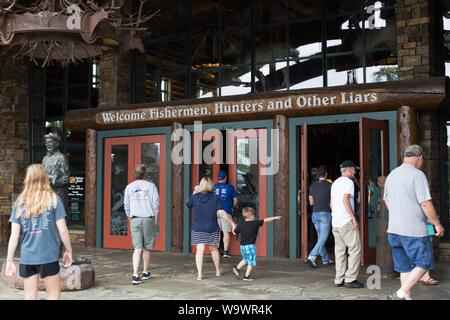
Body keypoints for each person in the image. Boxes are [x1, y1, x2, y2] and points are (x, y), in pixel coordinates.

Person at [384, 145, 444, 300]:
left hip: (394, 230)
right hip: (414, 231)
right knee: (424, 262)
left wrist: (399, 214)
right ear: (420, 158)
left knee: (405, 267)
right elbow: (425, 203)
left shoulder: (392, 175)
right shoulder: (417, 175)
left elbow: (386, 200)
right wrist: (436, 224)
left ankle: (406, 297)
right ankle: (400, 294)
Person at [5, 164, 73, 300]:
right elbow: (63, 230)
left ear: (27, 179)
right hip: (48, 256)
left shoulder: (19, 202)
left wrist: (10, 260)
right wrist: (68, 250)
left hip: (27, 258)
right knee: (53, 295)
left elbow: (14, 235)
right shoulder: (54, 199)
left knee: (29, 297)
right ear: (45, 178)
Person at [186, 177, 236, 280]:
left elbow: (187, 205)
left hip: (198, 227)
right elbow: (221, 212)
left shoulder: (195, 197)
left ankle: (199, 275)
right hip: (212, 227)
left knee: (200, 250)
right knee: (214, 249)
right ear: (211, 186)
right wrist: (232, 223)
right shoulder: (215, 197)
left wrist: (195, 191)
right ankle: (217, 271)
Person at [124, 164, 160, 285]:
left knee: (137, 248)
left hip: (135, 219)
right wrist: (156, 220)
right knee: (147, 247)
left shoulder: (129, 187)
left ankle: (135, 275)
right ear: (145, 175)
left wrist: (130, 218)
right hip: (148, 218)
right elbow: (156, 205)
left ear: (135, 174)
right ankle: (145, 272)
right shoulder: (151, 186)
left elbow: (126, 205)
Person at [330, 160, 363, 288]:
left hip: (336, 222)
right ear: (349, 169)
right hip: (346, 221)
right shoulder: (349, 182)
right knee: (355, 249)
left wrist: (337, 215)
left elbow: (331, 204)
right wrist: (353, 217)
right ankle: (350, 279)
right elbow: (345, 200)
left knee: (339, 251)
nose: (355, 172)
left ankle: (339, 278)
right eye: (354, 169)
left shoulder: (335, 183)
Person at [232, 207, 281, 281]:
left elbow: (234, 232)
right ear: (251, 215)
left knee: (246, 259)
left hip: (242, 246)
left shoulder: (241, 224)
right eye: (254, 215)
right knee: (251, 261)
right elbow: (265, 220)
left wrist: (233, 227)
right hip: (250, 246)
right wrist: (275, 218)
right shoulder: (255, 223)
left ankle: (237, 268)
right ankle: (247, 276)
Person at [307, 165, 333, 268]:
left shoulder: (312, 186)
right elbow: (332, 202)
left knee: (320, 238)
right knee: (323, 238)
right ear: (326, 174)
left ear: (317, 175)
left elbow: (311, 202)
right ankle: (312, 256)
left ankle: (325, 259)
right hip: (325, 214)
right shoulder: (330, 185)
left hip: (315, 214)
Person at [42, 132, 70, 212]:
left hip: (59, 193)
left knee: (59, 217)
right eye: (46, 143)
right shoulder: (45, 159)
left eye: (50, 142)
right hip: (46, 192)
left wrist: (55, 181)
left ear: (56, 144)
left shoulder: (61, 157)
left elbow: (66, 179)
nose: (47, 144)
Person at [214, 170, 238, 258]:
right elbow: (235, 201)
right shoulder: (230, 187)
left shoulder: (213, 186)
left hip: (215, 211)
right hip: (226, 212)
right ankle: (225, 252)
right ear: (225, 178)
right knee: (226, 232)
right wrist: (233, 207)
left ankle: (215, 251)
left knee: (217, 232)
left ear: (218, 178)